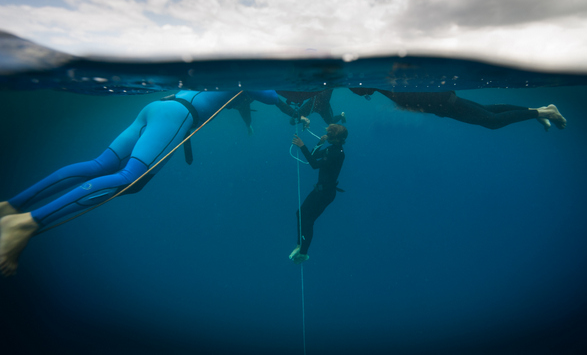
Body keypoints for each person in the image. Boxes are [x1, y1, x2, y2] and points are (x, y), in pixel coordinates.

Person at [0, 90, 278, 277]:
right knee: (130, 180)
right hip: (179, 117)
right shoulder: (249, 77)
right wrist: (290, 104)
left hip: (159, 107)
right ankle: (27, 223)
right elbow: (271, 94)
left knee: (100, 165)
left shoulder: (224, 69)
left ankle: (11, 207)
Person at [349, 88, 566, 131]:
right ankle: (540, 110)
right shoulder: (384, 88)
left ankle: (546, 113)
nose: (353, 90)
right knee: (488, 110)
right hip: (443, 103)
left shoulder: (387, 84)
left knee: (491, 121)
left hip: (443, 102)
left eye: (354, 86)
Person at [289, 123, 348, 265]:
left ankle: (303, 252)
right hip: (320, 191)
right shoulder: (332, 148)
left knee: (307, 220)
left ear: (337, 139)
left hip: (325, 194)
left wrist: (302, 146)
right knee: (300, 214)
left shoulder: (337, 153)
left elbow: (314, 165)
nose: (327, 137)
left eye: (330, 135)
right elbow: (314, 155)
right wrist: (319, 143)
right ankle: (300, 246)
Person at [276, 90, 346, 127]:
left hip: (323, 106)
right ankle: (341, 116)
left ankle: (341, 115)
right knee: (292, 121)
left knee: (331, 122)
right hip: (313, 104)